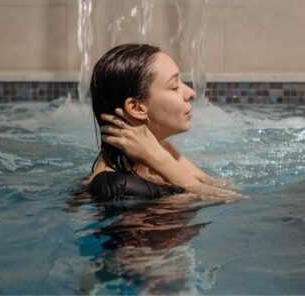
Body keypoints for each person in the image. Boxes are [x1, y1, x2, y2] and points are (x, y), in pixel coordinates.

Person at [87, 43, 236, 201]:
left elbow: (225, 188)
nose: (191, 93)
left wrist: (160, 157)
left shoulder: (156, 146)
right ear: (137, 107)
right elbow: (227, 199)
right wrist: (160, 160)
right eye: (174, 86)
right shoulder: (118, 187)